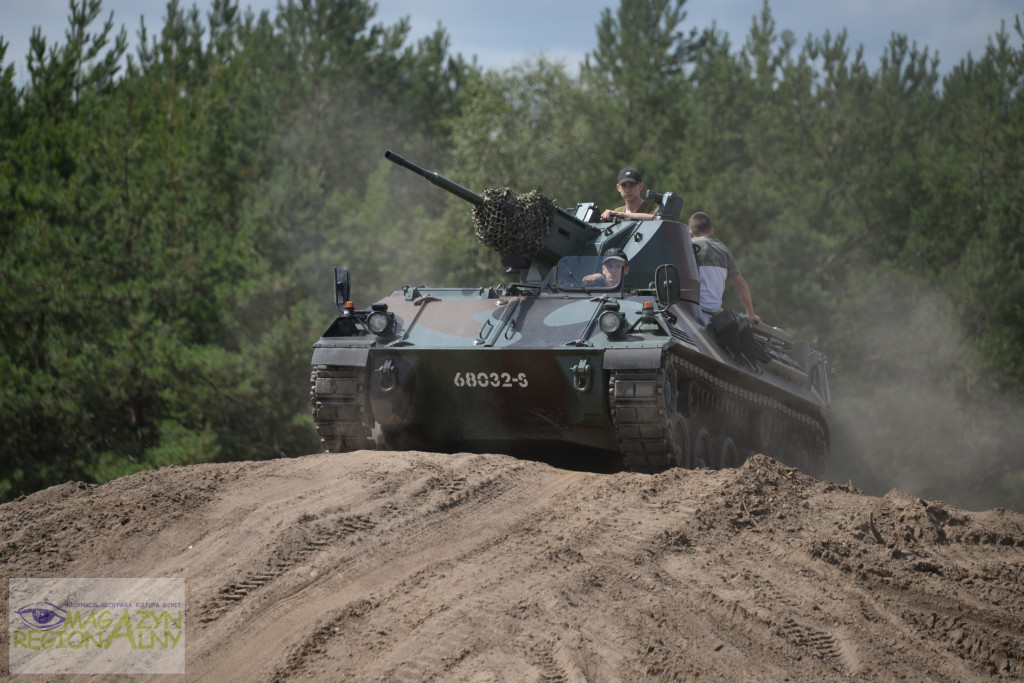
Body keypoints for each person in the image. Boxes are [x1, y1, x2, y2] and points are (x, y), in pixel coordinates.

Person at [688, 211, 761, 325]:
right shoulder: (723, 250)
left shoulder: (687, 245)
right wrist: (751, 314)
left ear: (690, 233)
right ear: (711, 231)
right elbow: (740, 284)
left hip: (691, 309)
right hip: (714, 313)